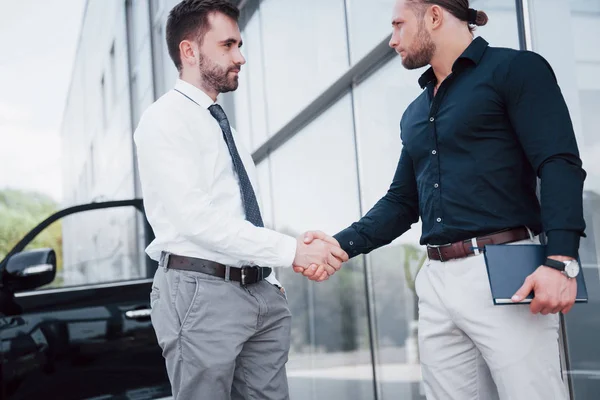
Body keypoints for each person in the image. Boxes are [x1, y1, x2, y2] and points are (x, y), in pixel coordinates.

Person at [302, 0, 586, 398]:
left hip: (507, 268)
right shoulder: (416, 113)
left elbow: (558, 162)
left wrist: (561, 260)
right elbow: (402, 201)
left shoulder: (515, 70)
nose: (392, 40)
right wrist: (339, 245)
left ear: (434, 17)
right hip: (436, 279)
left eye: (399, 25)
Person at [133, 1, 348, 399]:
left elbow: (241, 214)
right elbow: (195, 219)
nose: (241, 57)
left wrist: (272, 277)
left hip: (258, 290)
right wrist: (290, 251)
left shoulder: (221, 123)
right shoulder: (164, 120)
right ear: (189, 51)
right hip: (201, 291)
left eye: (240, 44)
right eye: (228, 45)